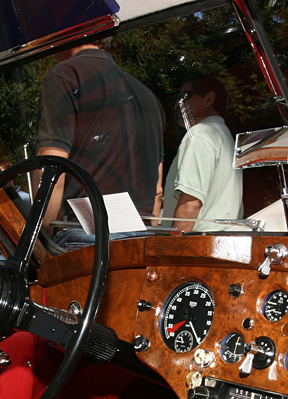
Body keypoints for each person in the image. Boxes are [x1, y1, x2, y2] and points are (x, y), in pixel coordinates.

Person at [35, 38, 165, 247]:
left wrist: (41, 241)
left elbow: (51, 170)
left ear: (68, 36)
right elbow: (157, 189)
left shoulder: (64, 76)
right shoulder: (147, 96)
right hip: (142, 240)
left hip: (87, 237)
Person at [163, 75, 243, 232]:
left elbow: (191, 203)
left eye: (183, 97)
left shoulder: (200, 134)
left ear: (208, 99)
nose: (176, 106)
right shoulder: (223, 136)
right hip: (219, 245)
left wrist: (173, 250)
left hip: (196, 246)